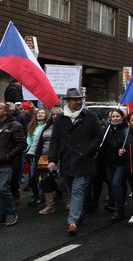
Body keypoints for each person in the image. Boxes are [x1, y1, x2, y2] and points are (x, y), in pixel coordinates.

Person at [48, 88, 103, 235]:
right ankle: (79, 216)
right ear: (68, 101)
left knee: (77, 190)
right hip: (67, 160)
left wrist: (87, 151)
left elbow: (98, 137)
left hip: (84, 160)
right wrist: (52, 159)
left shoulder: (90, 116)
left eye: (80, 99)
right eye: (75, 99)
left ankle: (72, 222)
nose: (78, 102)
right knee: (73, 190)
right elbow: (55, 140)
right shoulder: (60, 119)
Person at [29, 107, 62, 215]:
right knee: (46, 180)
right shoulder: (46, 127)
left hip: (61, 158)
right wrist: (31, 152)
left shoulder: (66, 127)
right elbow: (37, 141)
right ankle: (49, 205)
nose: (55, 116)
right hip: (45, 158)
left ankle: (69, 201)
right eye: (53, 114)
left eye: (58, 114)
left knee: (64, 180)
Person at [0, 102, 26, 226]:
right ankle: (2, 213)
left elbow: (22, 144)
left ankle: (11, 212)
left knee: (2, 188)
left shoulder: (15, 125)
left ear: (6, 111)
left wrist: (8, 156)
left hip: (6, 163)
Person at [101, 109, 129, 222]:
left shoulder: (126, 130)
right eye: (113, 117)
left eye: (118, 116)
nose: (115, 118)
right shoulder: (107, 129)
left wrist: (124, 149)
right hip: (109, 161)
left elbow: (129, 144)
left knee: (116, 183)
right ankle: (117, 203)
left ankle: (119, 210)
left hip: (121, 162)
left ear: (122, 118)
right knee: (113, 185)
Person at [25, 107, 48, 206]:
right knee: (33, 177)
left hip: (44, 155)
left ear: (46, 115)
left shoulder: (48, 126)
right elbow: (29, 139)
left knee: (43, 177)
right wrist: (28, 149)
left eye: (42, 113)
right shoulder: (32, 126)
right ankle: (36, 195)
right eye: (38, 113)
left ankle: (42, 197)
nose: (40, 114)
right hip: (33, 155)